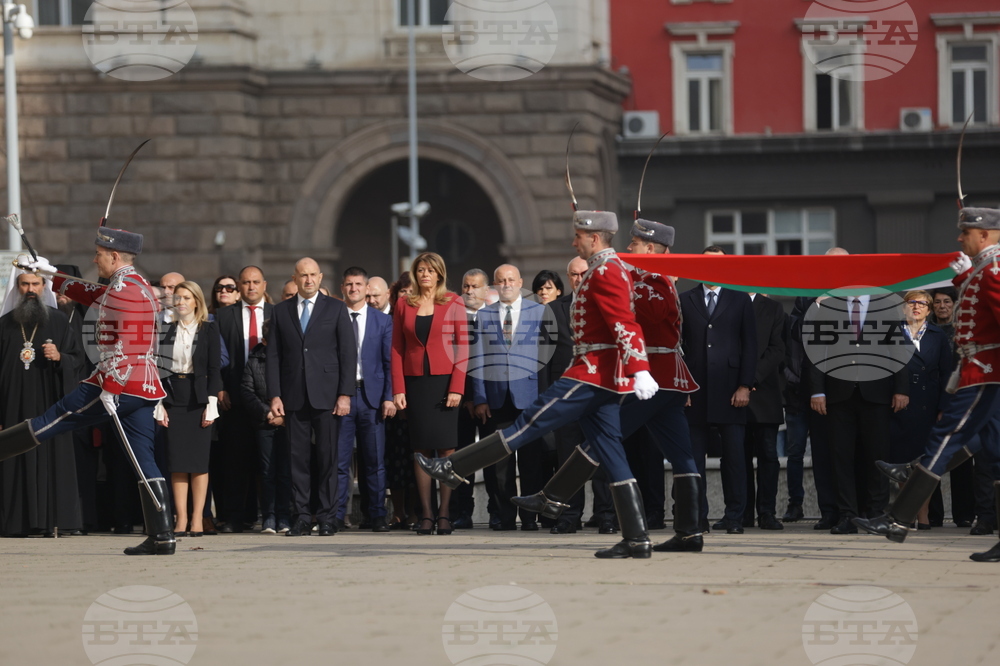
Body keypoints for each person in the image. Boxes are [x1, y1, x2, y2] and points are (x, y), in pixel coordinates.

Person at [416, 209, 661, 559]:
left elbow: (624, 321)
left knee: (530, 421)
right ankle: (637, 538)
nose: (573, 241)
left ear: (594, 238)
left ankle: (453, 468)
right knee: (611, 453)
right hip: (603, 375)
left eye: (578, 236)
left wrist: (639, 367)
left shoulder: (606, 270)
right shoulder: (606, 268)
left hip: (592, 372)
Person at [514, 218, 703, 552]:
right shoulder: (646, 278)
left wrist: (617, 277)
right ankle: (689, 532)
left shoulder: (653, 280)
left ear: (648, 248)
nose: (628, 249)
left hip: (654, 376)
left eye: (633, 244)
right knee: (680, 455)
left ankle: (554, 498)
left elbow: (634, 317)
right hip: (664, 378)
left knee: (603, 441)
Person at [0, 227, 174, 556]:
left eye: (98, 254)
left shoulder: (126, 290)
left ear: (114, 256)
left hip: (118, 383)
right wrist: (53, 275)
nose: (94, 259)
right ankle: (162, 535)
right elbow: (92, 294)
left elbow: (130, 344)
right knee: (143, 459)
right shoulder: (132, 285)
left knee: (53, 419)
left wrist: (111, 387)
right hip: (143, 387)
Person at [854, 206, 1000, 563]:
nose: (959, 238)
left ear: (983, 235)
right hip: (984, 370)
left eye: (965, 232)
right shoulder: (983, 269)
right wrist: (967, 279)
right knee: (996, 454)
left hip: (986, 371)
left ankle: (898, 519)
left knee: (946, 436)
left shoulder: (994, 268)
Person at [810, 249, 910, 535]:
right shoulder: (829, 306)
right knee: (841, 457)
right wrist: (817, 391)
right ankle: (848, 516)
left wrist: (901, 389)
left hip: (877, 394)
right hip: (838, 394)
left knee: (877, 456)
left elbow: (898, 350)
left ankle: (877, 513)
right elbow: (818, 351)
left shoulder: (887, 305)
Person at [266, 258, 357, 537]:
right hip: (293, 395)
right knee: (298, 460)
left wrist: (344, 394)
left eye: (312, 275)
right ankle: (302, 516)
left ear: (320, 277)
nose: (308, 280)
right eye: (302, 276)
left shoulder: (336, 308)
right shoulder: (281, 312)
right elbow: (274, 356)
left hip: (328, 395)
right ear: (294, 277)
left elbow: (347, 353)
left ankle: (328, 517)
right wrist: (275, 395)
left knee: (328, 457)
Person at [470, 264, 555, 531]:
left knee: (531, 461)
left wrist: (545, 399)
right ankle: (504, 517)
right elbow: (477, 360)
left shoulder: (540, 312)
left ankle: (529, 517)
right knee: (500, 465)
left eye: (510, 280)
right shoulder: (483, 316)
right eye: (500, 281)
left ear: (520, 282)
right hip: (496, 400)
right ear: (494, 285)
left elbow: (546, 359)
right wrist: (480, 397)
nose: (506, 284)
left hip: (530, 398)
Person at [0, 270, 85, 537]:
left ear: (43, 286)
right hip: (12, 405)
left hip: (49, 403)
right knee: (15, 458)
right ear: (17, 287)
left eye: (35, 284)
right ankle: (16, 523)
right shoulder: (3, 325)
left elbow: (78, 360)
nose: (30, 289)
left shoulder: (59, 322)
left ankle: (53, 521)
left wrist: (60, 357)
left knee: (51, 456)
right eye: (25, 284)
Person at [391, 252, 470, 536]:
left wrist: (457, 388)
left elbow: (463, 347)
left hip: (445, 381)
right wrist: (398, 389)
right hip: (415, 384)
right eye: (420, 270)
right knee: (421, 450)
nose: (425, 274)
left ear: (439, 274)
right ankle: (426, 514)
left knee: (447, 449)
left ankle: (445, 514)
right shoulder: (403, 304)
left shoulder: (453, 302)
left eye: (430, 270)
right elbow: (397, 348)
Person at [680, 246, 757, 534]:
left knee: (735, 459)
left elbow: (750, 345)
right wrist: (682, 389)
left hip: (731, 392)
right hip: (695, 392)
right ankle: (697, 517)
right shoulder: (685, 299)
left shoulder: (740, 299)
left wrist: (745, 385)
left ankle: (735, 517)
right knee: (693, 460)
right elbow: (679, 348)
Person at [156, 282, 221, 537]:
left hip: (200, 398)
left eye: (186, 297)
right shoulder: (166, 330)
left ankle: (197, 519)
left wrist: (212, 405)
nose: (181, 301)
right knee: (177, 463)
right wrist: (159, 403)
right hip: (174, 397)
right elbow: (158, 370)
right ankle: (180, 519)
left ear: (196, 301)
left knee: (199, 463)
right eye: (178, 297)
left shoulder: (209, 330)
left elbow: (215, 369)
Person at [886, 290, 953, 530]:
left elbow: (947, 373)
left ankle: (923, 516)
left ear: (930, 309)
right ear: (903, 307)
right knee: (903, 462)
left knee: (924, 466)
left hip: (928, 406)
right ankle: (908, 514)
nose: (917, 307)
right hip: (898, 406)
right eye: (911, 303)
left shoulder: (938, 336)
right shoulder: (891, 333)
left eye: (922, 304)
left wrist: (944, 406)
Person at [335, 267, 394, 532]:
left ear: (366, 287)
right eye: (349, 284)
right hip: (342, 399)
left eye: (359, 284)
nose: (354, 288)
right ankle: (335, 516)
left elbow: (389, 363)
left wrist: (389, 397)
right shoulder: (334, 318)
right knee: (339, 461)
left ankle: (377, 515)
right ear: (342, 288)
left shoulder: (382, 321)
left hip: (372, 399)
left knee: (374, 461)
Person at [216, 266, 273, 533]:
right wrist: (219, 388)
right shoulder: (223, 316)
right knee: (235, 461)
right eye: (246, 283)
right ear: (239, 286)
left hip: (269, 400)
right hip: (234, 398)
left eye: (255, 282)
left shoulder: (279, 313)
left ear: (264, 285)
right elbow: (214, 357)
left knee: (269, 462)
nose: (251, 287)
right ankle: (236, 517)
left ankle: (272, 515)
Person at [240, 319, 291, 534]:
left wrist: (285, 416)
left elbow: (300, 389)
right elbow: (246, 391)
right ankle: (269, 517)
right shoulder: (254, 361)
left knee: (286, 472)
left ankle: (286, 516)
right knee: (268, 472)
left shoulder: (293, 360)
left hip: (289, 425)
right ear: (265, 340)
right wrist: (267, 412)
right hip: (264, 424)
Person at [743, 292, 787, 530]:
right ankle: (742, 512)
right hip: (733, 391)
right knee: (738, 456)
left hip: (765, 390)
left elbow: (777, 348)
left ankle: (767, 512)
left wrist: (751, 378)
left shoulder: (773, 307)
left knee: (768, 455)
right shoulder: (729, 302)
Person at [452, 268, 491, 529]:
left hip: (492, 400)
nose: (469, 291)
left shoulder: (495, 318)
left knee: (492, 459)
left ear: (486, 291)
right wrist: (467, 396)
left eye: (475, 286)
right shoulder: (452, 318)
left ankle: (498, 511)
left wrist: (482, 397)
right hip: (460, 403)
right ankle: (462, 511)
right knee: (461, 459)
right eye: (466, 286)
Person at [384, 272, 418, 529]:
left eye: (410, 292)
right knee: (395, 459)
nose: (405, 297)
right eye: (401, 293)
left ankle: (418, 512)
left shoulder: (421, 319)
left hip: (418, 397)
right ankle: (398, 513)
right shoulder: (385, 321)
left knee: (417, 457)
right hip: (393, 399)